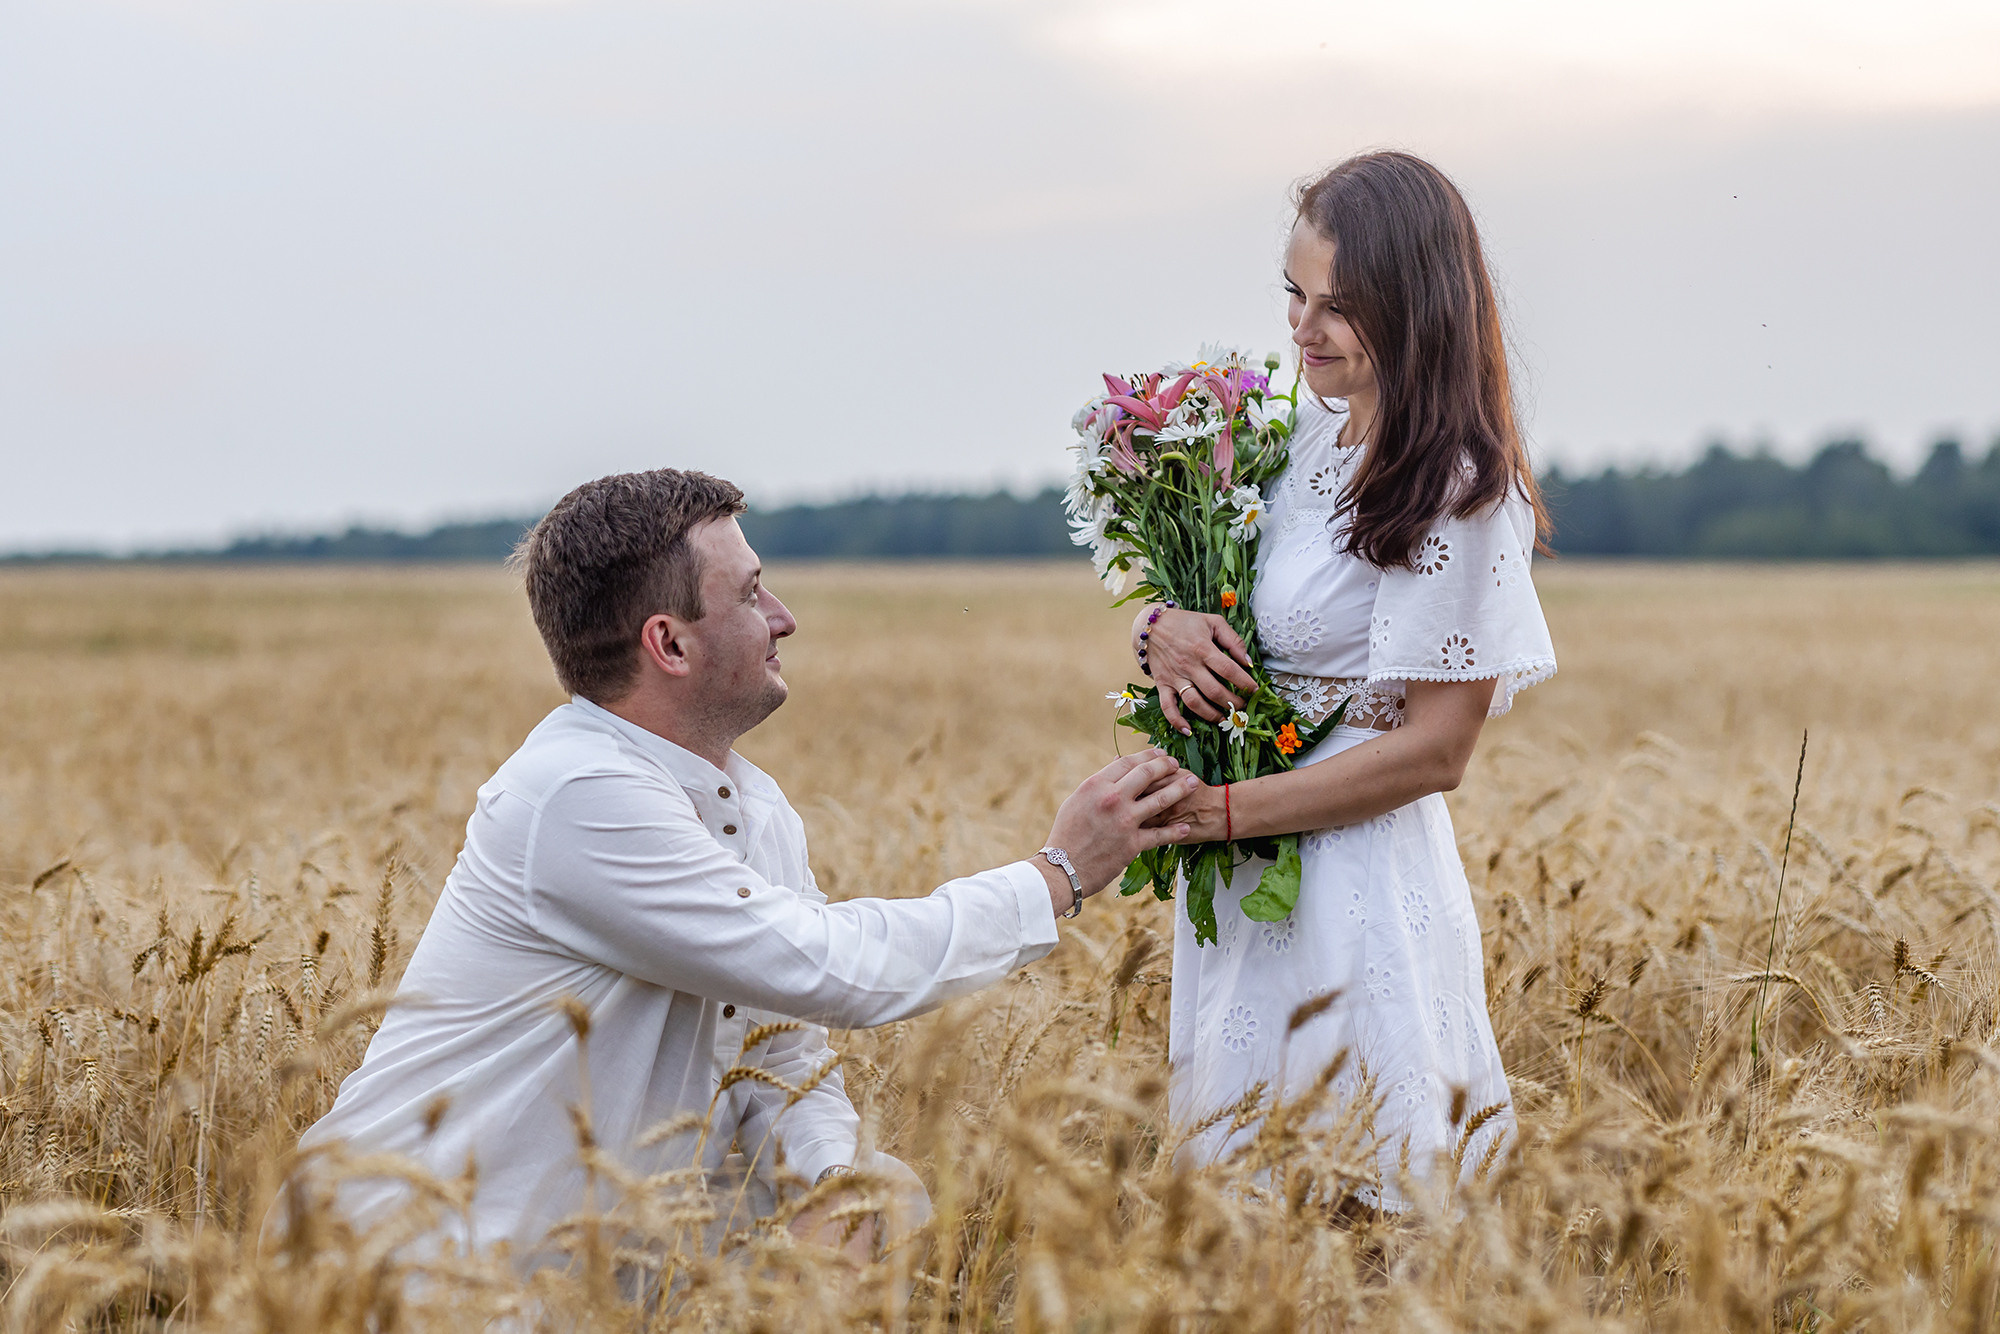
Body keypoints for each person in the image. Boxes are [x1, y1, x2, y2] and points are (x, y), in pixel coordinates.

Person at [294, 468, 1195, 1267]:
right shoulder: (576, 794)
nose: (785, 618)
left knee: (883, 1190)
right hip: (415, 1269)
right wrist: (1056, 875)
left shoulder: (746, 801)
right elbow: (825, 967)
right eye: (752, 593)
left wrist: (830, 1177)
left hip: (598, 1278)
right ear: (670, 644)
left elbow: (781, 1046)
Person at [1139, 151, 1557, 1206]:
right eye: (1294, 292)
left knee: (1359, 1217)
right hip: (1248, 879)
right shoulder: (1292, 444)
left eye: (1340, 304)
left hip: (1356, 883)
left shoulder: (1456, 485)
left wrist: (1222, 808)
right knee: (1239, 1220)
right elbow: (1230, 606)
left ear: (1414, 304)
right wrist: (1161, 628)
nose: (1303, 326)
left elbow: (1435, 749)